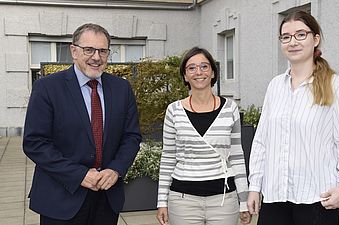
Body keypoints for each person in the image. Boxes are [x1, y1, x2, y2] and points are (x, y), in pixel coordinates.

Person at [247, 11, 339, 225]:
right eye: (286, 36)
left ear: (315, 39)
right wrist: (255, 186)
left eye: (301, 35)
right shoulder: (275, 86)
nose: (293, 42)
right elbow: (262, 141)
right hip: (275, 196)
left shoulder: (334, 85)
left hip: (317, 199)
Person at [23, 23, 142, 225]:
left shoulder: (121, 88)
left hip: (106, 198)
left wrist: (116, 169)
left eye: (102, 51)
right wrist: (79, 175)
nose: (96, 57)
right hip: (61, 198)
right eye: (89, 50)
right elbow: (35, 142)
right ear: (74, 51)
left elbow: (131, 137)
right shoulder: (47, 87)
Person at [156, 47, 251, 225]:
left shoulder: (230, 108)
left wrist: (243, 201)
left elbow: (237, 157)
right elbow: (168, 158)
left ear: (213, 72)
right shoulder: (173, 111)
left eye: (204, 66)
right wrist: (162, 201)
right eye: (191, 68)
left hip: (223, 201)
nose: (198, 72)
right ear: (185, 76)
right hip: (183, 202)